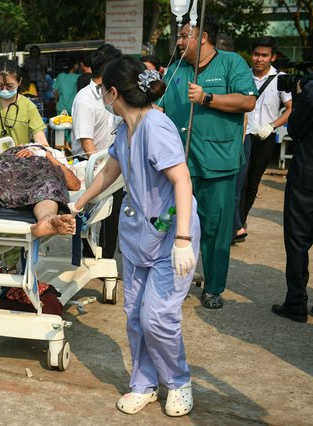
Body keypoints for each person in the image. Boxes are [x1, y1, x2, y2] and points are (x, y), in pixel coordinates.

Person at [70, 56, 200, 417]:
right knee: (134, 316)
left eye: (102, 92)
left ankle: (178, 381)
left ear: (114, 93)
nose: (102, 98)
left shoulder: (155, 126)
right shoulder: (125, 129)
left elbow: (182, 180)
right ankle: (144, 384)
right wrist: (78, 202)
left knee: (158, 317)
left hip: (171, 236)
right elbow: (112, 168)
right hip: (138, 236)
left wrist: (184, 240)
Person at [158, 15, 257, 309]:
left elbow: (247, 101)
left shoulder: (231, 63)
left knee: (215, 228)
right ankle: (174, 280)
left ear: (202, 38)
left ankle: (213, 287)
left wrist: (208, 98)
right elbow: (158, 105)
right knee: (176, 224)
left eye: (184, 35)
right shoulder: (175, 68)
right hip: (179, 165)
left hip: (217, 163)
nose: (178, 40)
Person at [0, 144, 80, 240]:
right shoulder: (13, 149)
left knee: (49, 186)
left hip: (41, 171)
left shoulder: (53, 153)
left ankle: (47, 220)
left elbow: (75, 184)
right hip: (7, 170)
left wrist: (47, 155)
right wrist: (10, 151)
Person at [236, 36, 292, 243]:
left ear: (272, 57)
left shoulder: (281, 79)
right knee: (239, 182)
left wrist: (272, 126)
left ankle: (242, 219)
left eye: (264, 55)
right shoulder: (242, 76)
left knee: (252, 183)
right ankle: (237, 225)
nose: (259, 59)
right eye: (256, 54)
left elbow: (290, 109)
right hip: (243, 135)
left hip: (265, 137)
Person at [71, 43, 122, 258]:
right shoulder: (85, 98)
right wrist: (102, 171)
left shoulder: (115, 93)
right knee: (90, 218)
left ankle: (106, 261)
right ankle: (90, 258)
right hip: (92, 166)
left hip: (114, 164)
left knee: (113, 217)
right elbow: (86, 142)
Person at [271, 75, 313, 323]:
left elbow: (295, 128)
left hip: (307, 176)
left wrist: (299, 95)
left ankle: (296, 302)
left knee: (297, 239)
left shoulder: (311, 91)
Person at [0, 59, 48, 146]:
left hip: (18, 158)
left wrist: (34, 149)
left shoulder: (29, 107)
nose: (4, 90)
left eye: (10, 86)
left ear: (19, 82)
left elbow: (42, 141)